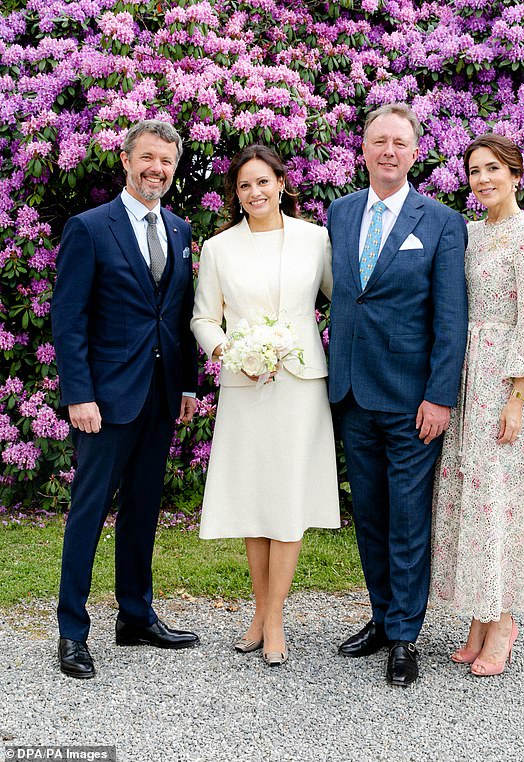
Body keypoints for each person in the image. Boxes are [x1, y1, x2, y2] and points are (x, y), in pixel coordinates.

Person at [51, 120, 200, 679]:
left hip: (159, 397)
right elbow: (68, 321)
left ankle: (135, 616)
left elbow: (179, 318)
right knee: (88, 512)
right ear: (126, 160)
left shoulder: (181, 232)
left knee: (142, 511)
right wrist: (79, 394)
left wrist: (186, 384)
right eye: (146, 158)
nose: (155, 169)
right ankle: (71, 630)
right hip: (104, 401)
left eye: (165, 160)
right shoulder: (89, 229)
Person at [327, 103, 469, 686]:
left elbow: (451, 317)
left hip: (414, 402)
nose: (388, 151)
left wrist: (439, 397)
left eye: (399, 143)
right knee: (370, 515)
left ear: (415, 152)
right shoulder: (339, 213)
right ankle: (383, 617)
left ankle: (407, 635)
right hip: (353, 394)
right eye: (378, 141)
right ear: (363, 149)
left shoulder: (439, 221)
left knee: (408, 519)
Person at [191, 145, 340, 666]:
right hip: (245, 386)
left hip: (301, 386)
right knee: (255, 500)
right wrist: (231, 353)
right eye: (244, 185)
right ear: (236, 194)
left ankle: (274, 618)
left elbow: (342, 300)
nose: (254, 192)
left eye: (263, 182)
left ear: (281, 183)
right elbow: (204, 319)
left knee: (288, 500)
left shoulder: (315, 239)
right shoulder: (218, 248)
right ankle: (261, 611)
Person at [430, 133, 524, 676]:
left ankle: (503, 618)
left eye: (493, 169)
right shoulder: (468, 234)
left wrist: (517, 395)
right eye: (473, 171)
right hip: (465, 373)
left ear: (515, 174)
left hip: (502, 379)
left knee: (499, 496)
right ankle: (479, 615)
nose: (482, 179)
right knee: (470, 490)